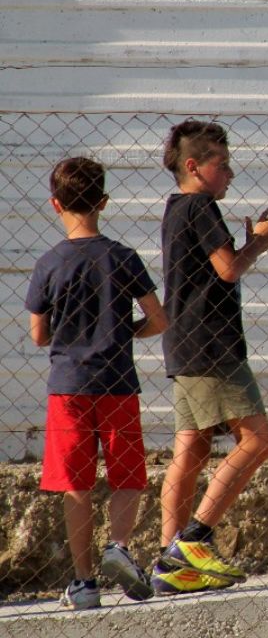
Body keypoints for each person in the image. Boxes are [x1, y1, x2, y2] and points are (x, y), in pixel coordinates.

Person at [25, 157, 168, 609]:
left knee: (76, 484)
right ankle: (119, 546)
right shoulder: (122, 257)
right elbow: (159, 319)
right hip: (118, 382)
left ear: (54, 204)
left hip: (68, 385)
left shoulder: (49, 263)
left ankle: (84, 583)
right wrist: (127, 332)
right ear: (104, 202)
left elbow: (38, 334)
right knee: (127, 475)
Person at [155, 119, 268, 594]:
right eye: (222, 164)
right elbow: (227, 270)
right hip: (213, 346)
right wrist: (263, 240)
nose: (230, 174)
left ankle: (171, 563)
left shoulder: (175, 208)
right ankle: (196, 538)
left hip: (184, 343)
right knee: (258, 441)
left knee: (189, 451)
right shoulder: (202, 206)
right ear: (194, 167)